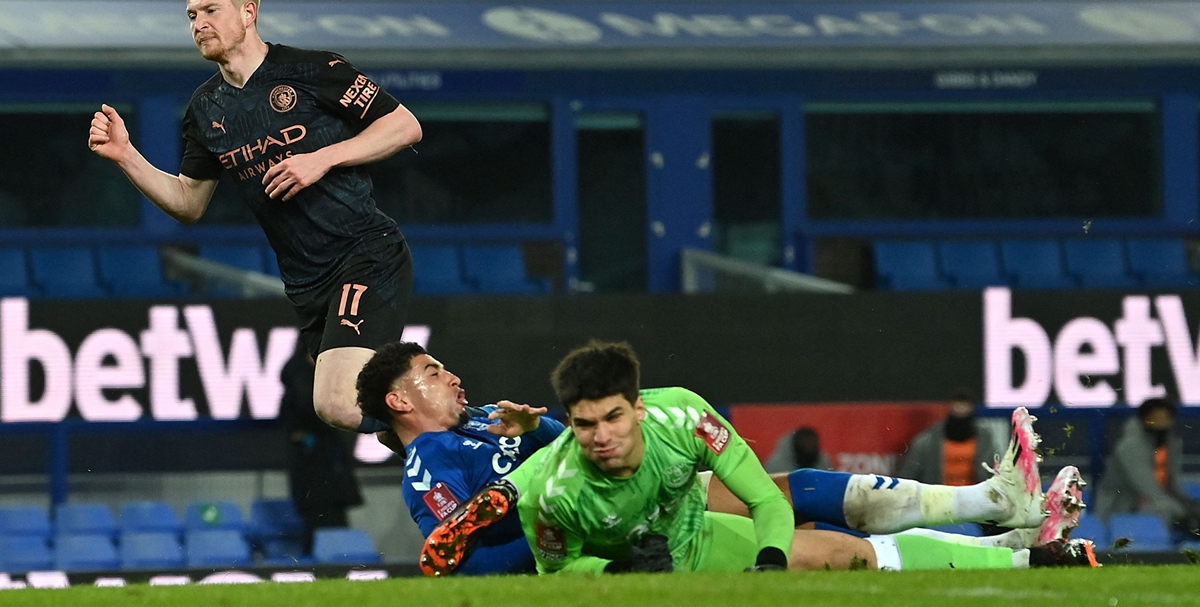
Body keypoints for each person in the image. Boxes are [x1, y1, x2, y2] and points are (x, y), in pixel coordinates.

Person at [88, 0, 421, 437]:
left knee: (339, 404)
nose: (199, 24)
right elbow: (189, 203)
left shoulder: (313, 69)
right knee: (388, 427)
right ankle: (477, 442)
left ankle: (464, 419)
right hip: (307, 286)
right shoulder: (205, 109)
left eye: (211, 10)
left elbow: (404, 126)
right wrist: (126, 157)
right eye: (192, 15)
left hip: (364, 253)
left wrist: (323, 157)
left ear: (249, 13)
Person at [421, 340, 1098, 575]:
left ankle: (1023, 550)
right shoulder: (536, 481)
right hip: (630, 555)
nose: (599, 434)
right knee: (824, 527)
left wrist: (770, 560)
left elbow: (766, 497)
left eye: (612, 416)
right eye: (584, 423)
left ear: (641, 405)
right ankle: (1000, 516)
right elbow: (554, 569)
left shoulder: (682, 414)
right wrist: (615, 564)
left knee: (837, 551)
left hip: (693, 531)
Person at [355, 341, 566, 574]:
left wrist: (536, 427)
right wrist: (554, 536)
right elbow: (465, 567)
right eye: (434, 374)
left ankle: (512, 487)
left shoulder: (486, 415)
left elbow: (569, 443)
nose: (454, 378)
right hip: (570, 543)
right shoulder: (427, 472)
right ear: (400, 401)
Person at [279, 349, 363, 552]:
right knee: (317, 528)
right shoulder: (297, 392)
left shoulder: (334, 388)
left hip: (334, 476)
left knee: (337, 529)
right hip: (312, 475)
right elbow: (301, 413)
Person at [1095, 397, 1200, 538]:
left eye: (1166, 418)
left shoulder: (1172, 444)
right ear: (1143, 419)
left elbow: (1173, 485)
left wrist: (1191, 506)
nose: (1161, 423)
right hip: (1122, 509)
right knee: (1166, 508)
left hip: (1157, 504)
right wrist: (1183, 512)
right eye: (1156, 418)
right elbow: (1148, 489)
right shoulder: (1129, 446)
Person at [898, 390, 1005, 487]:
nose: (960, 410)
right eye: (957, 405)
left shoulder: (985, 439)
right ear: (950, 407)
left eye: (964, 406)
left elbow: (999, 469)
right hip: (939, 497)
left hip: (974, 498)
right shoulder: (929, 440)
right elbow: (909, 472)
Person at [763, 425, 833, 473]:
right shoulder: (775, 467)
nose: (808, 447)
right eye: (805, 444)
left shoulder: (824, 464)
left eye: (812, 444)